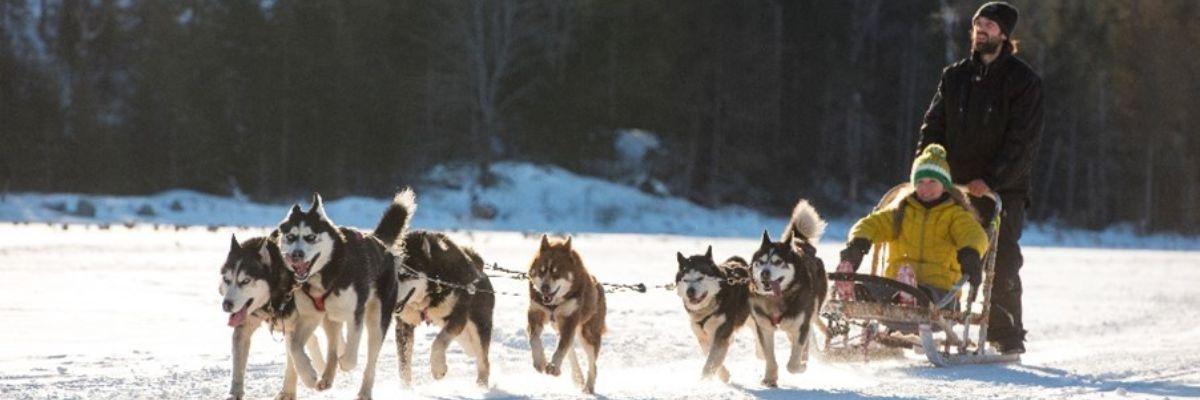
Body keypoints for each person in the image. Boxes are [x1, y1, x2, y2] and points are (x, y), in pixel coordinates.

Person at [914, 1, 1043, 354]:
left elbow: (1023, 143)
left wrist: (991, 179)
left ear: (1004, 34)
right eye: (977, 24)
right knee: (933, 246)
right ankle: (926, 314)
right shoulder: (954, 76)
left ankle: (1006, 334)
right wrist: (926, 168)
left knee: (1000, 260)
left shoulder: (1023, 82)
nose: (980, 29)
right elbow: (933, 127)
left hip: (1002, 190)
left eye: (988, 25)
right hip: (952, 186)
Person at [837, 145, 988, 313]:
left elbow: (973, 234)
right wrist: (857, 246)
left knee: (927, 296)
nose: (925, 188)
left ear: (945, 186)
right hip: (895, 284)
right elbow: (872, 224)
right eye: (920, 182)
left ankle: (912, 297)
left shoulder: (955, 215)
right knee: (879, 289)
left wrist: (970, 253)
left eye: (932, 182)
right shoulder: (901, 211)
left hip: (940, 291)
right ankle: (857, 292)